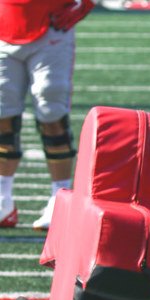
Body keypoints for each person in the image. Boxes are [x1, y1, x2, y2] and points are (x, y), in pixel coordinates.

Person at [0, 0, 94, 230]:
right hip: (4, 24)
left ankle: (59, 198)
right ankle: (3, 199)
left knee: (52, 115)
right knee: (3, 117)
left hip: (51, 25)